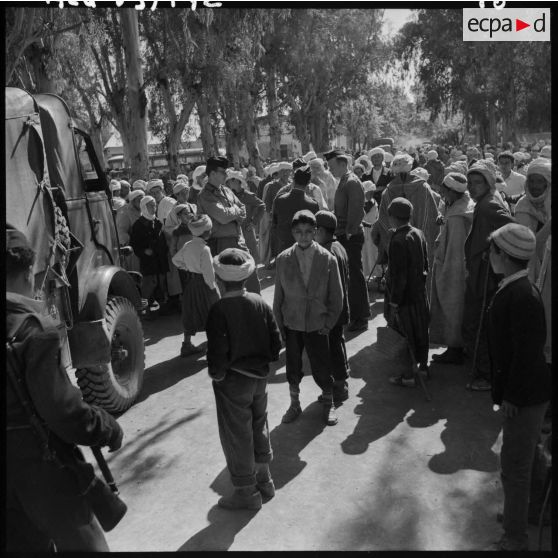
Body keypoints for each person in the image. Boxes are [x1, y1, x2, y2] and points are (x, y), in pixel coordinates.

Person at [6, 226, 123, 551]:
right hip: (42, 475)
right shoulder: (33, 329)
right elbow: (63, 411)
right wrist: (107, 427)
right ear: (30, 272)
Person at [485, 224, 550, 551]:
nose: (490, 257)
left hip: (524, 395)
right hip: (526, 392)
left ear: (506, 257)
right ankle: (530, 511)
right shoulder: (515, 286)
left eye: (494, 251)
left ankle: (515, 537)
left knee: (514, 466)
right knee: (530, 457)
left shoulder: (521, 295)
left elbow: (525, 355)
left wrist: (511, 396)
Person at [207, 248, 282, 511]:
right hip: (260, 379)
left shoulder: (219, 310)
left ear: (219, 280)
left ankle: (246, 492)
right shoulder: (260, 302)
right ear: (246, 277)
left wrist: (218, 375)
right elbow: (276, 344)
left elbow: (217, 354)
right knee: (259, 424)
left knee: (237, 434)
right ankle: (265, 479)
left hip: (233, 382)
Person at [273, 210, 343, 426]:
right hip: (292, 322)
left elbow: (337, 296)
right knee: (293, 366)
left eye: (308, 232)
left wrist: (328, 323)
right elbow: (278, 297)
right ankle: (294, 404)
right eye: (298, 232)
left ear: (315, 232)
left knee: (322, 365)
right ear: (293, 233)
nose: (303, 236)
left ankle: (328, 402)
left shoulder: (327, 259)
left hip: (317, 323)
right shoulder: (284, 259)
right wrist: (280, 326)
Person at [462, 161, 514, 391]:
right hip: (480, 272)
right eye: (469, 183)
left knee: (478, 323)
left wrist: (493, 251)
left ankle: (486, 375)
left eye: (477, 182)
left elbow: (512, 228)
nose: (472, 187)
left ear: (488, 183)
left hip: (486, 276)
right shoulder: (484, 201)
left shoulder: (489, 205)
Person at [377, 152, 440, 296]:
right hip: (420, 244)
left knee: (399, 280)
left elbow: (382, 220)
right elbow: (432, 218)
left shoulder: (388, 191)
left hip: (397, 244)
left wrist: (391, 239)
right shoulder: (424, 188)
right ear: (410, 167)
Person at [384, 198, 430, 387]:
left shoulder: (397, 241)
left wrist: (394, 303)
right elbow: (425, 264)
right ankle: (424, 368)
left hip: (405, 300)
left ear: (393, 218)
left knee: (405, 337)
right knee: (421, 333)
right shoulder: (418, 233)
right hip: (419, 295)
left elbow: (399, 276)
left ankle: (408, 376)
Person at [197, 156, 261, 294]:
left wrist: (234, 213)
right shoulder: (205, 195)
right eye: (223, 171)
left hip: (239, 239)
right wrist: (235, 212)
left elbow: (242, 208)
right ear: (212, 173)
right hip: (221, 243)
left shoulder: (226, 190)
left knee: (251, 276)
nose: (226, 174)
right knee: (229, 285)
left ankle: (256, 308)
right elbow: (223, 216)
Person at [430, 173, 475, 364]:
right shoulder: (460, 206)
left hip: (453, 269)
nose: (442, 195)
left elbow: (455, 251)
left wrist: (444, 272)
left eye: (444, 191)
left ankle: (455, 349)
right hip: (456, 266)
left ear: (452, 192)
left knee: (453, 307)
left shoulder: (457, 217)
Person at [324, 148, 370, 332]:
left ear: (343, 164)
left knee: (355, 277)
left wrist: (350, 231)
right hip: (344, 233)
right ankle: (355, 314)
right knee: (350, 276)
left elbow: (358, 209)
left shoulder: (351, 182)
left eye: (332, 166)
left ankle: (361, 316)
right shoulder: (344, 180)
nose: (330, 170)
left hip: (350, 236)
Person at [315, 210, 351, 405]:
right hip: (341, 307)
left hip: (331, 310)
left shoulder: (327, 252)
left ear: (320, 230)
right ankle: (341, 379)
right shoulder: (339, 246)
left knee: (332, 348)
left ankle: (339, 385)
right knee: (338, 343)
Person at [172, 215, 220, 357]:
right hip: (204, 285)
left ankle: (186, 345)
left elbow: (175, 260)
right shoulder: (205, 249)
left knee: (191, 313)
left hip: (191, 284)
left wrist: (186, 267)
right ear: (206, 232)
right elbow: (208, 273)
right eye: (210, 229)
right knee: (211, 313)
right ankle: (214, 346)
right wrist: (213, 289)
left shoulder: (188, 245)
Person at [130, 195, 170, 319]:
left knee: (161, 282)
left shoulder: (157, 221)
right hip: (149, 260)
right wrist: (143, 251)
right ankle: (144, 310)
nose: (154, 207)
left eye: (154, 205)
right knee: (148, 284)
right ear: (144, 207)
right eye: (150, 206)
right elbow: (135, 245)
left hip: (160, 258)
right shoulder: (138, 225)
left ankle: (162, 308)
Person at [514, 157, 551, 282]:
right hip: (532, 269)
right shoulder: (523, 206)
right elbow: (527, 244)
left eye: (540, 181)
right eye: (532, 181)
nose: (535, 186)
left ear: (547, 183)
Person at [272, 164, 320, 255]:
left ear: (293, 181)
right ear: (309, 182)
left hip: (284, 250)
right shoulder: (313, 205)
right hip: (305, 251)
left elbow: (274, 225)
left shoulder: (279, 200)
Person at [225, 170, 265, 264]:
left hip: (247, 229)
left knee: (251, 256)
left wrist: (254, 222)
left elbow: (262, 206)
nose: (227, 184)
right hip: (234, 231)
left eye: (229, 181)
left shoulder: (248, 195)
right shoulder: (228, 196)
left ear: (235, 181)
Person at [116, 189, 144, 273]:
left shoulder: (142, 209)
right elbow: (121, 232)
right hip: (132, 250)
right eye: (139, 200)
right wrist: (132, 241)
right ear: (133, 201)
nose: (141, 202)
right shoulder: (125, 212)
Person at [361, 180, 379, 278]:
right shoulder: (360, 202)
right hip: (364, 231)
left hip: (372, 231)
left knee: (373, 253)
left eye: (372, 192)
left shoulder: (373, 202)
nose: (371, 194)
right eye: (369, 192)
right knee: (364, 254)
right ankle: (365, 275)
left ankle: (376, 275)